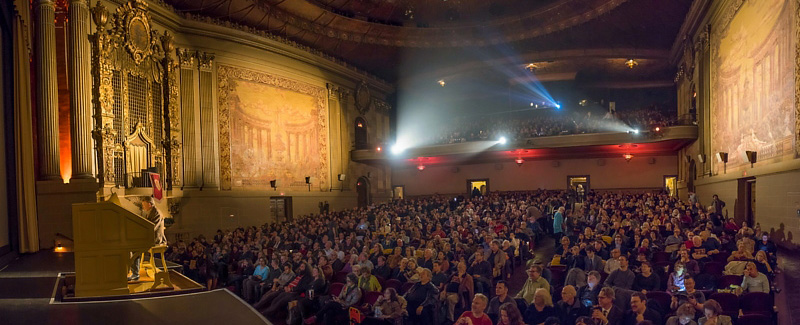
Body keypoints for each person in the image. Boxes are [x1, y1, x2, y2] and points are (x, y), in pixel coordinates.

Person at [129, 196, 166, 281]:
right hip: (151, 237)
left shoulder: (156, 213)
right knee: (133, 246)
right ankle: (134, 272)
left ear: (149, 204)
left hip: (156, 240)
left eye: (144, 204)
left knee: (134, 248)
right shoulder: (151, 212)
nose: (143, 206)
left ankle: (135, 274)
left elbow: (152, 228)